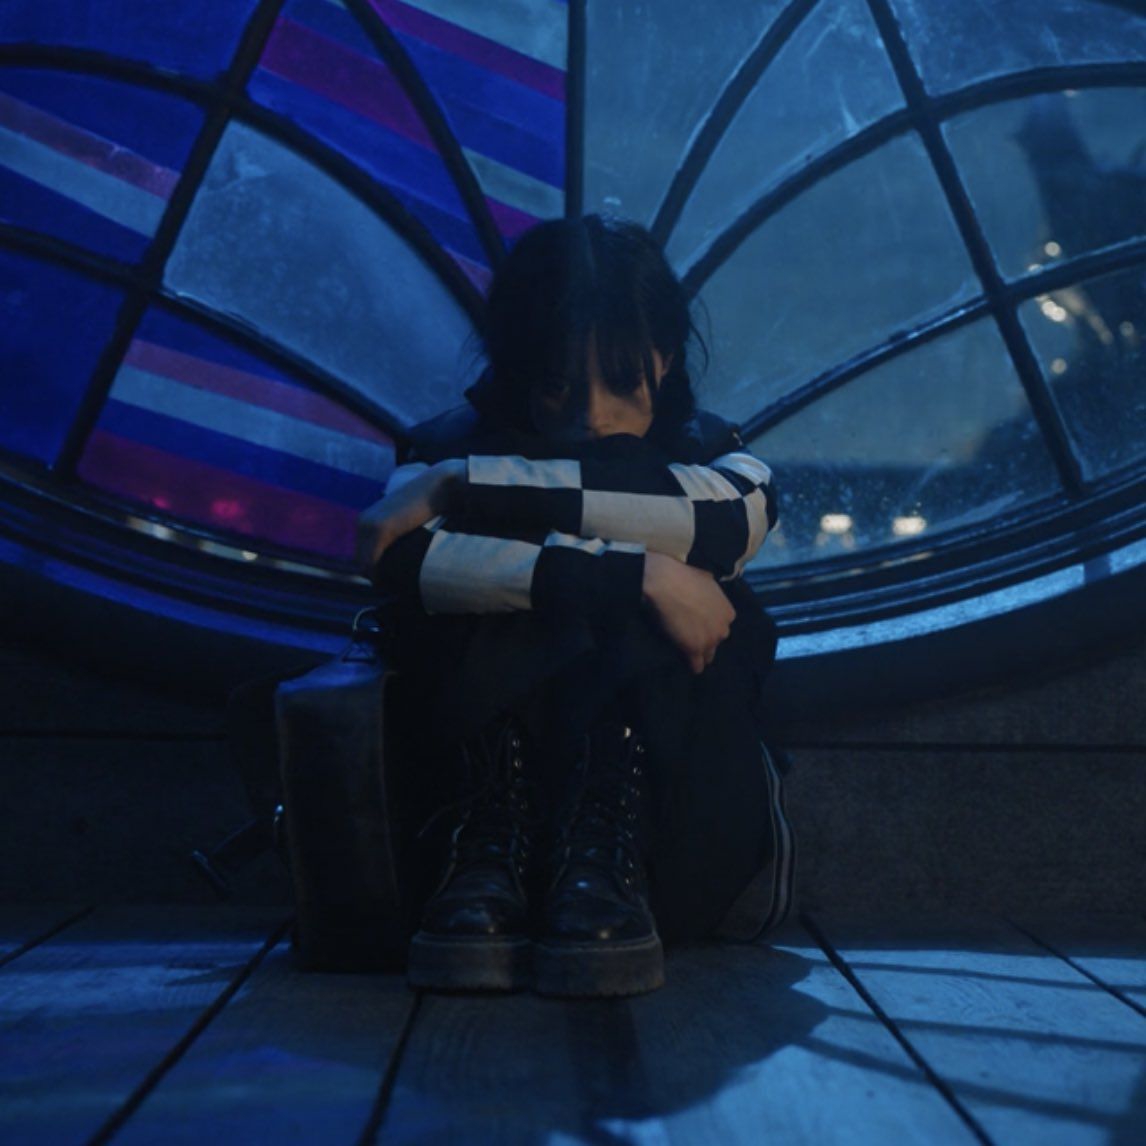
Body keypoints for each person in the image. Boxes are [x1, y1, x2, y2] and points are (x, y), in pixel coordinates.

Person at [355, 214, 793, 998]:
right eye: (558, 382)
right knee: (546, 580)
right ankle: (493, 837)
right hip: (449, 814)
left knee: (618, 532)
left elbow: (729, 522)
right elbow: (400, 561)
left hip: (670, 821)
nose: (591, 415)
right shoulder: (444, 443)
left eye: (621, 381)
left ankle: (603, 845)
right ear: (519, 367)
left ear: (664, 358)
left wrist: (465, 488)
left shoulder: (708, 454)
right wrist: (638, 574)